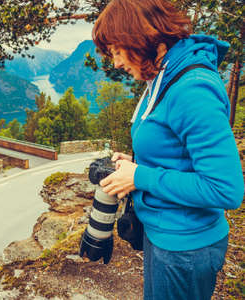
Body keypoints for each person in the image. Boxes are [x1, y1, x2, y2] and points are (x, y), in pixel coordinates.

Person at [91, 0, 244, 299]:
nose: (117, 64)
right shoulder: (163, 76)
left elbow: (226, 189)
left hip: (186, 247)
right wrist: (134, 164)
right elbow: (176, 150)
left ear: (140, 36)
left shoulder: (191, 89)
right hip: (164, 236)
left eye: (118, 51)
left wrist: (141, 177)